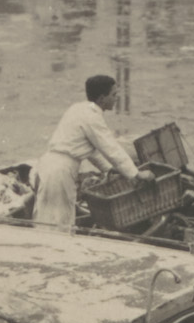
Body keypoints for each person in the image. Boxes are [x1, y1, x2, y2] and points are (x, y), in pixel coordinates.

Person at [31, 74, 153, 227]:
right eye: (113, 95)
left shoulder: (78, 108)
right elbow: (111, 148)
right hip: (60, 172)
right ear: (102, 99)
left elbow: (93, 151)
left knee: (46, 219)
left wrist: (109, 168)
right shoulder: (93, 117)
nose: (116, 99)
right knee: (58, 223)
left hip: (48, 166)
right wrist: (136, 174)